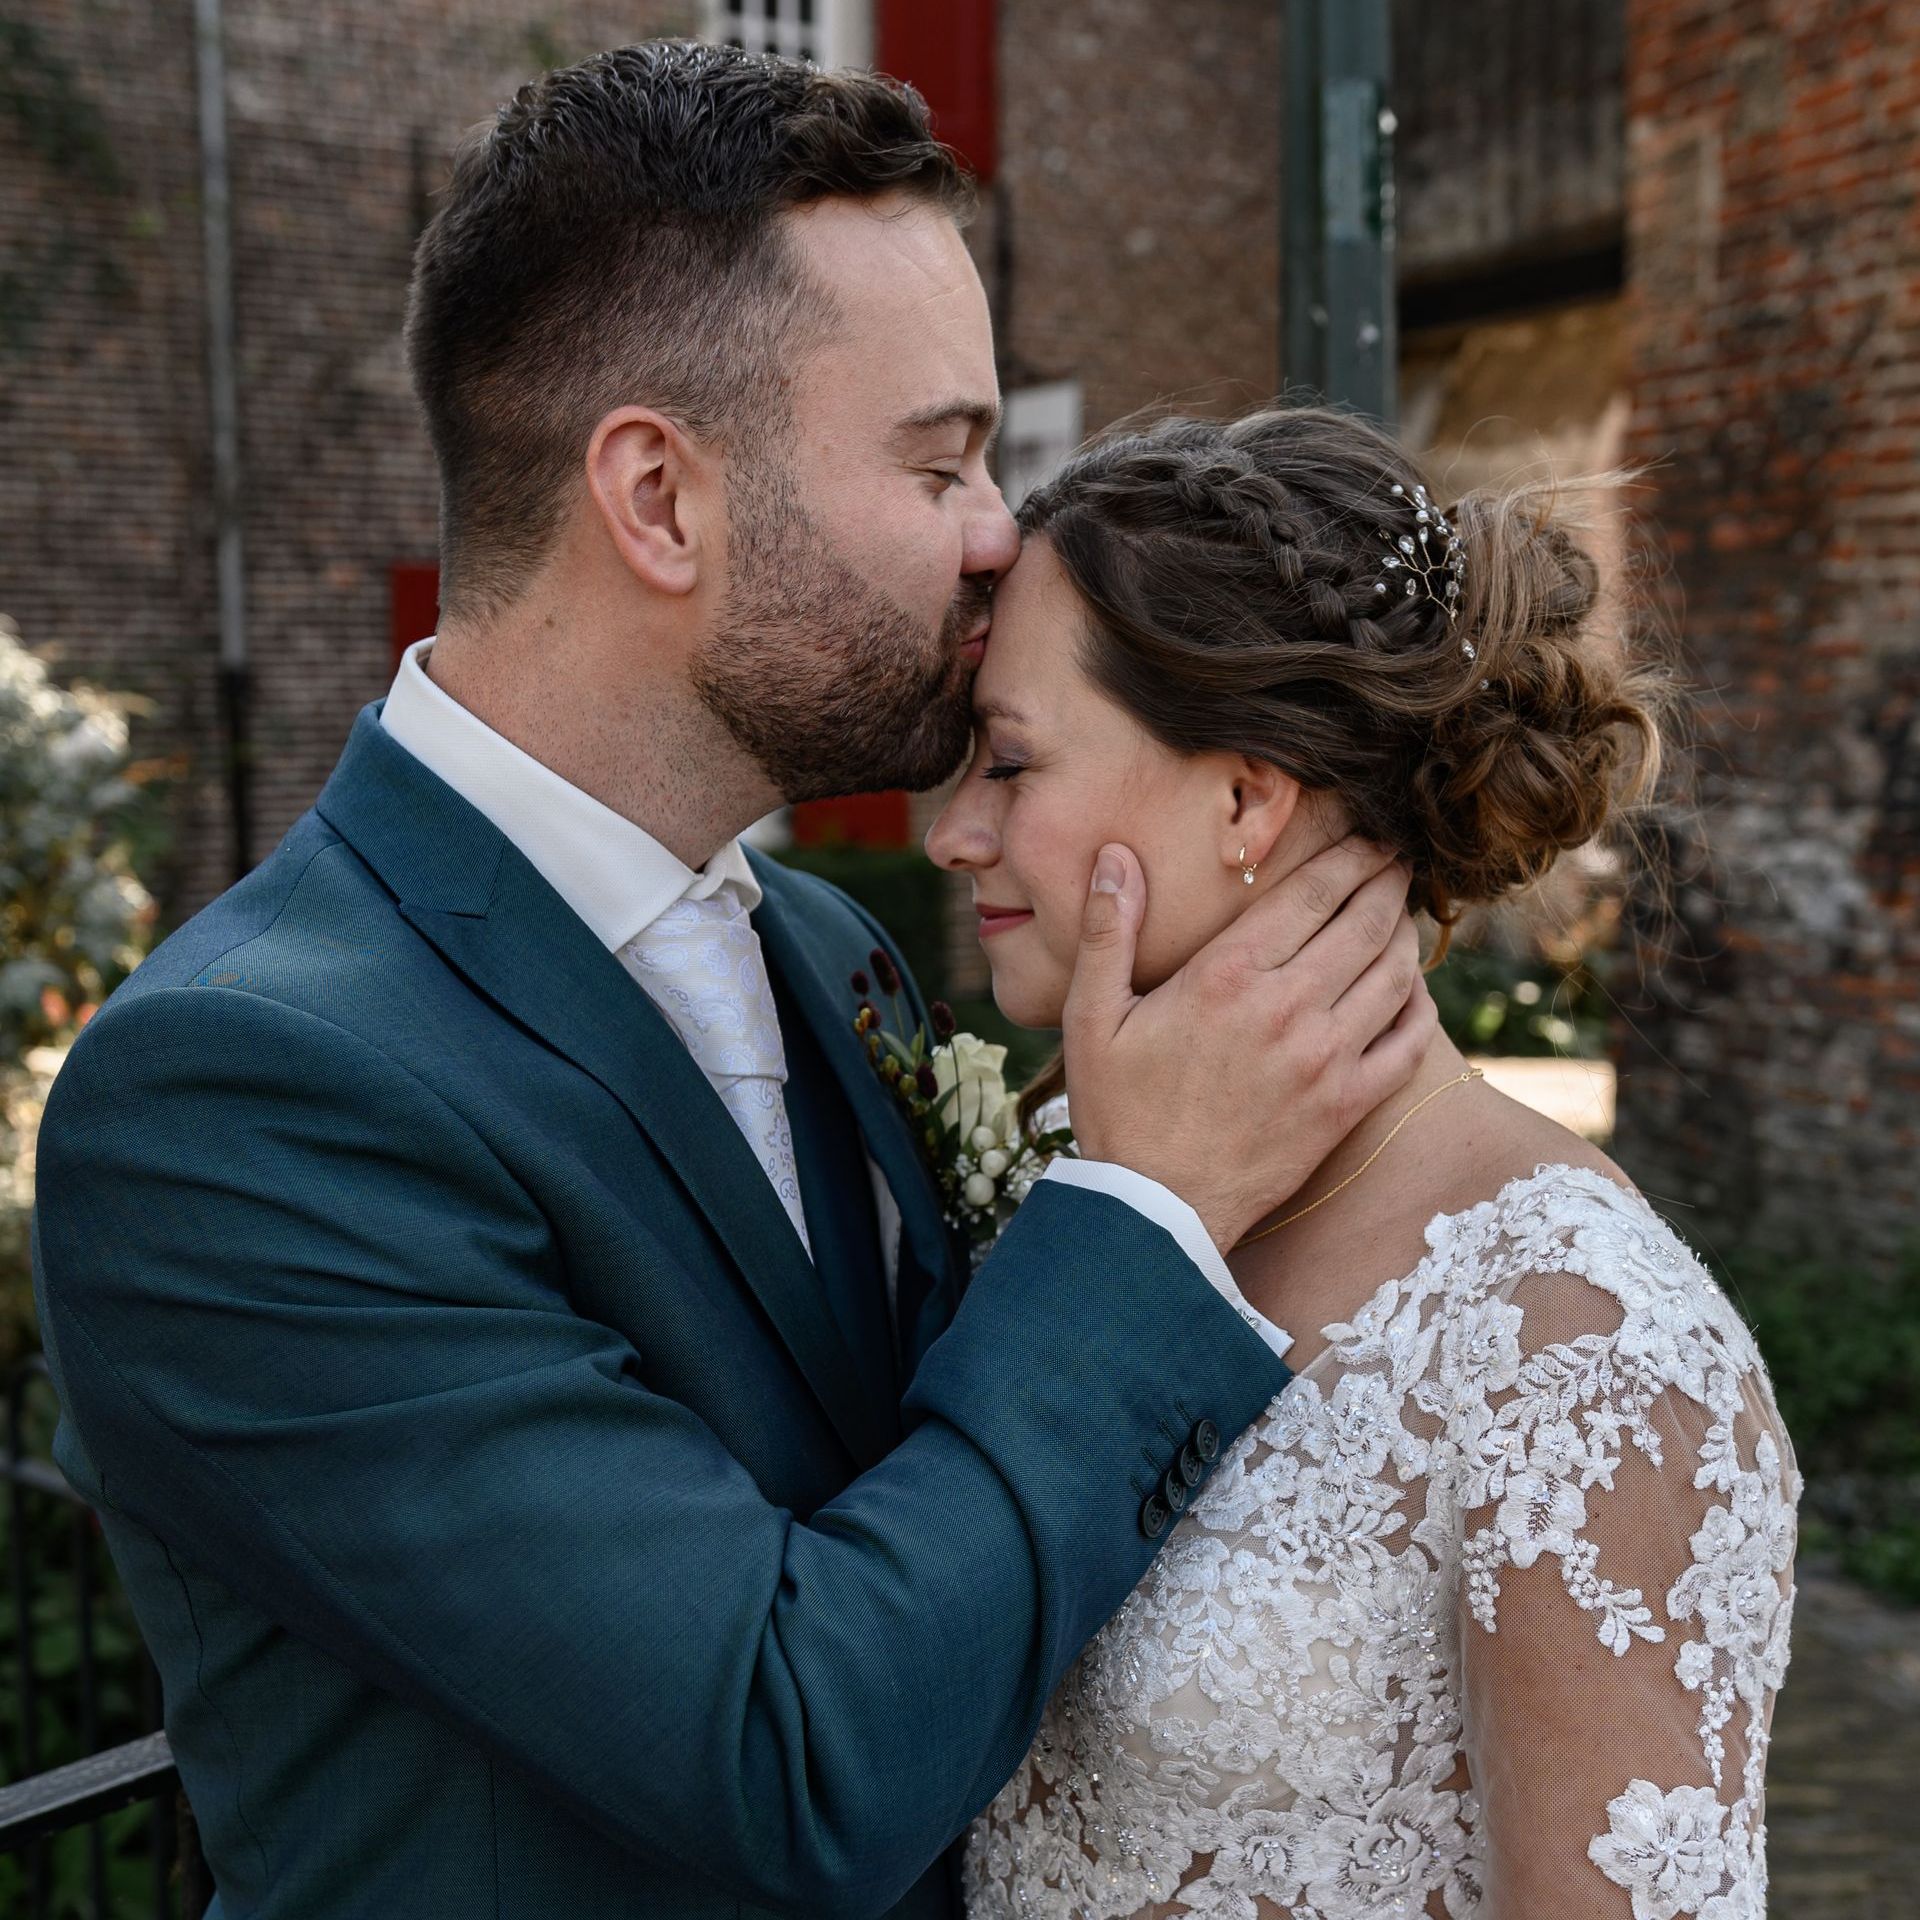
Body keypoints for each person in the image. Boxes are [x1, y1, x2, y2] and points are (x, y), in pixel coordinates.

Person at [28, 46, 1436, 1920]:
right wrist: (1150, 1211)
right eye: (938, 461)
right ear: (660, 499)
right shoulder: (239, 1096)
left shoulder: (834, 954)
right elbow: (793, 1751)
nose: (1002, 536)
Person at [928, 406, 1799, 1920]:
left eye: (1009, 764)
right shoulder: (1075, 1201)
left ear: (1249, 800)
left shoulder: (1581, 1356)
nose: (952, 832)